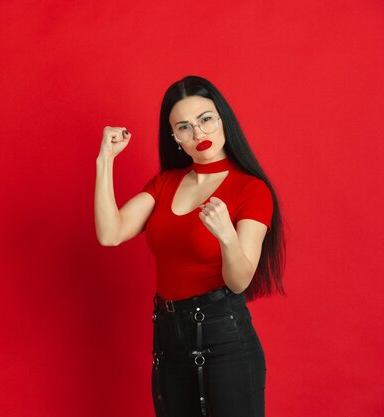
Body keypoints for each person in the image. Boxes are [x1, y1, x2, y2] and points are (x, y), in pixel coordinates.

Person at [94, 75, 285, 417]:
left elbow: (240, 281)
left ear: (222, 118)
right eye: (184, 127)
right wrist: (105, 161)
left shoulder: (251, 190)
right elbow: (111, 234)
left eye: (205, 119)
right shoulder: (166, 183)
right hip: (168, 338)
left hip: (224, 337)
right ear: (174, 138)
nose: (198, 134)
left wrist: (226, 234)